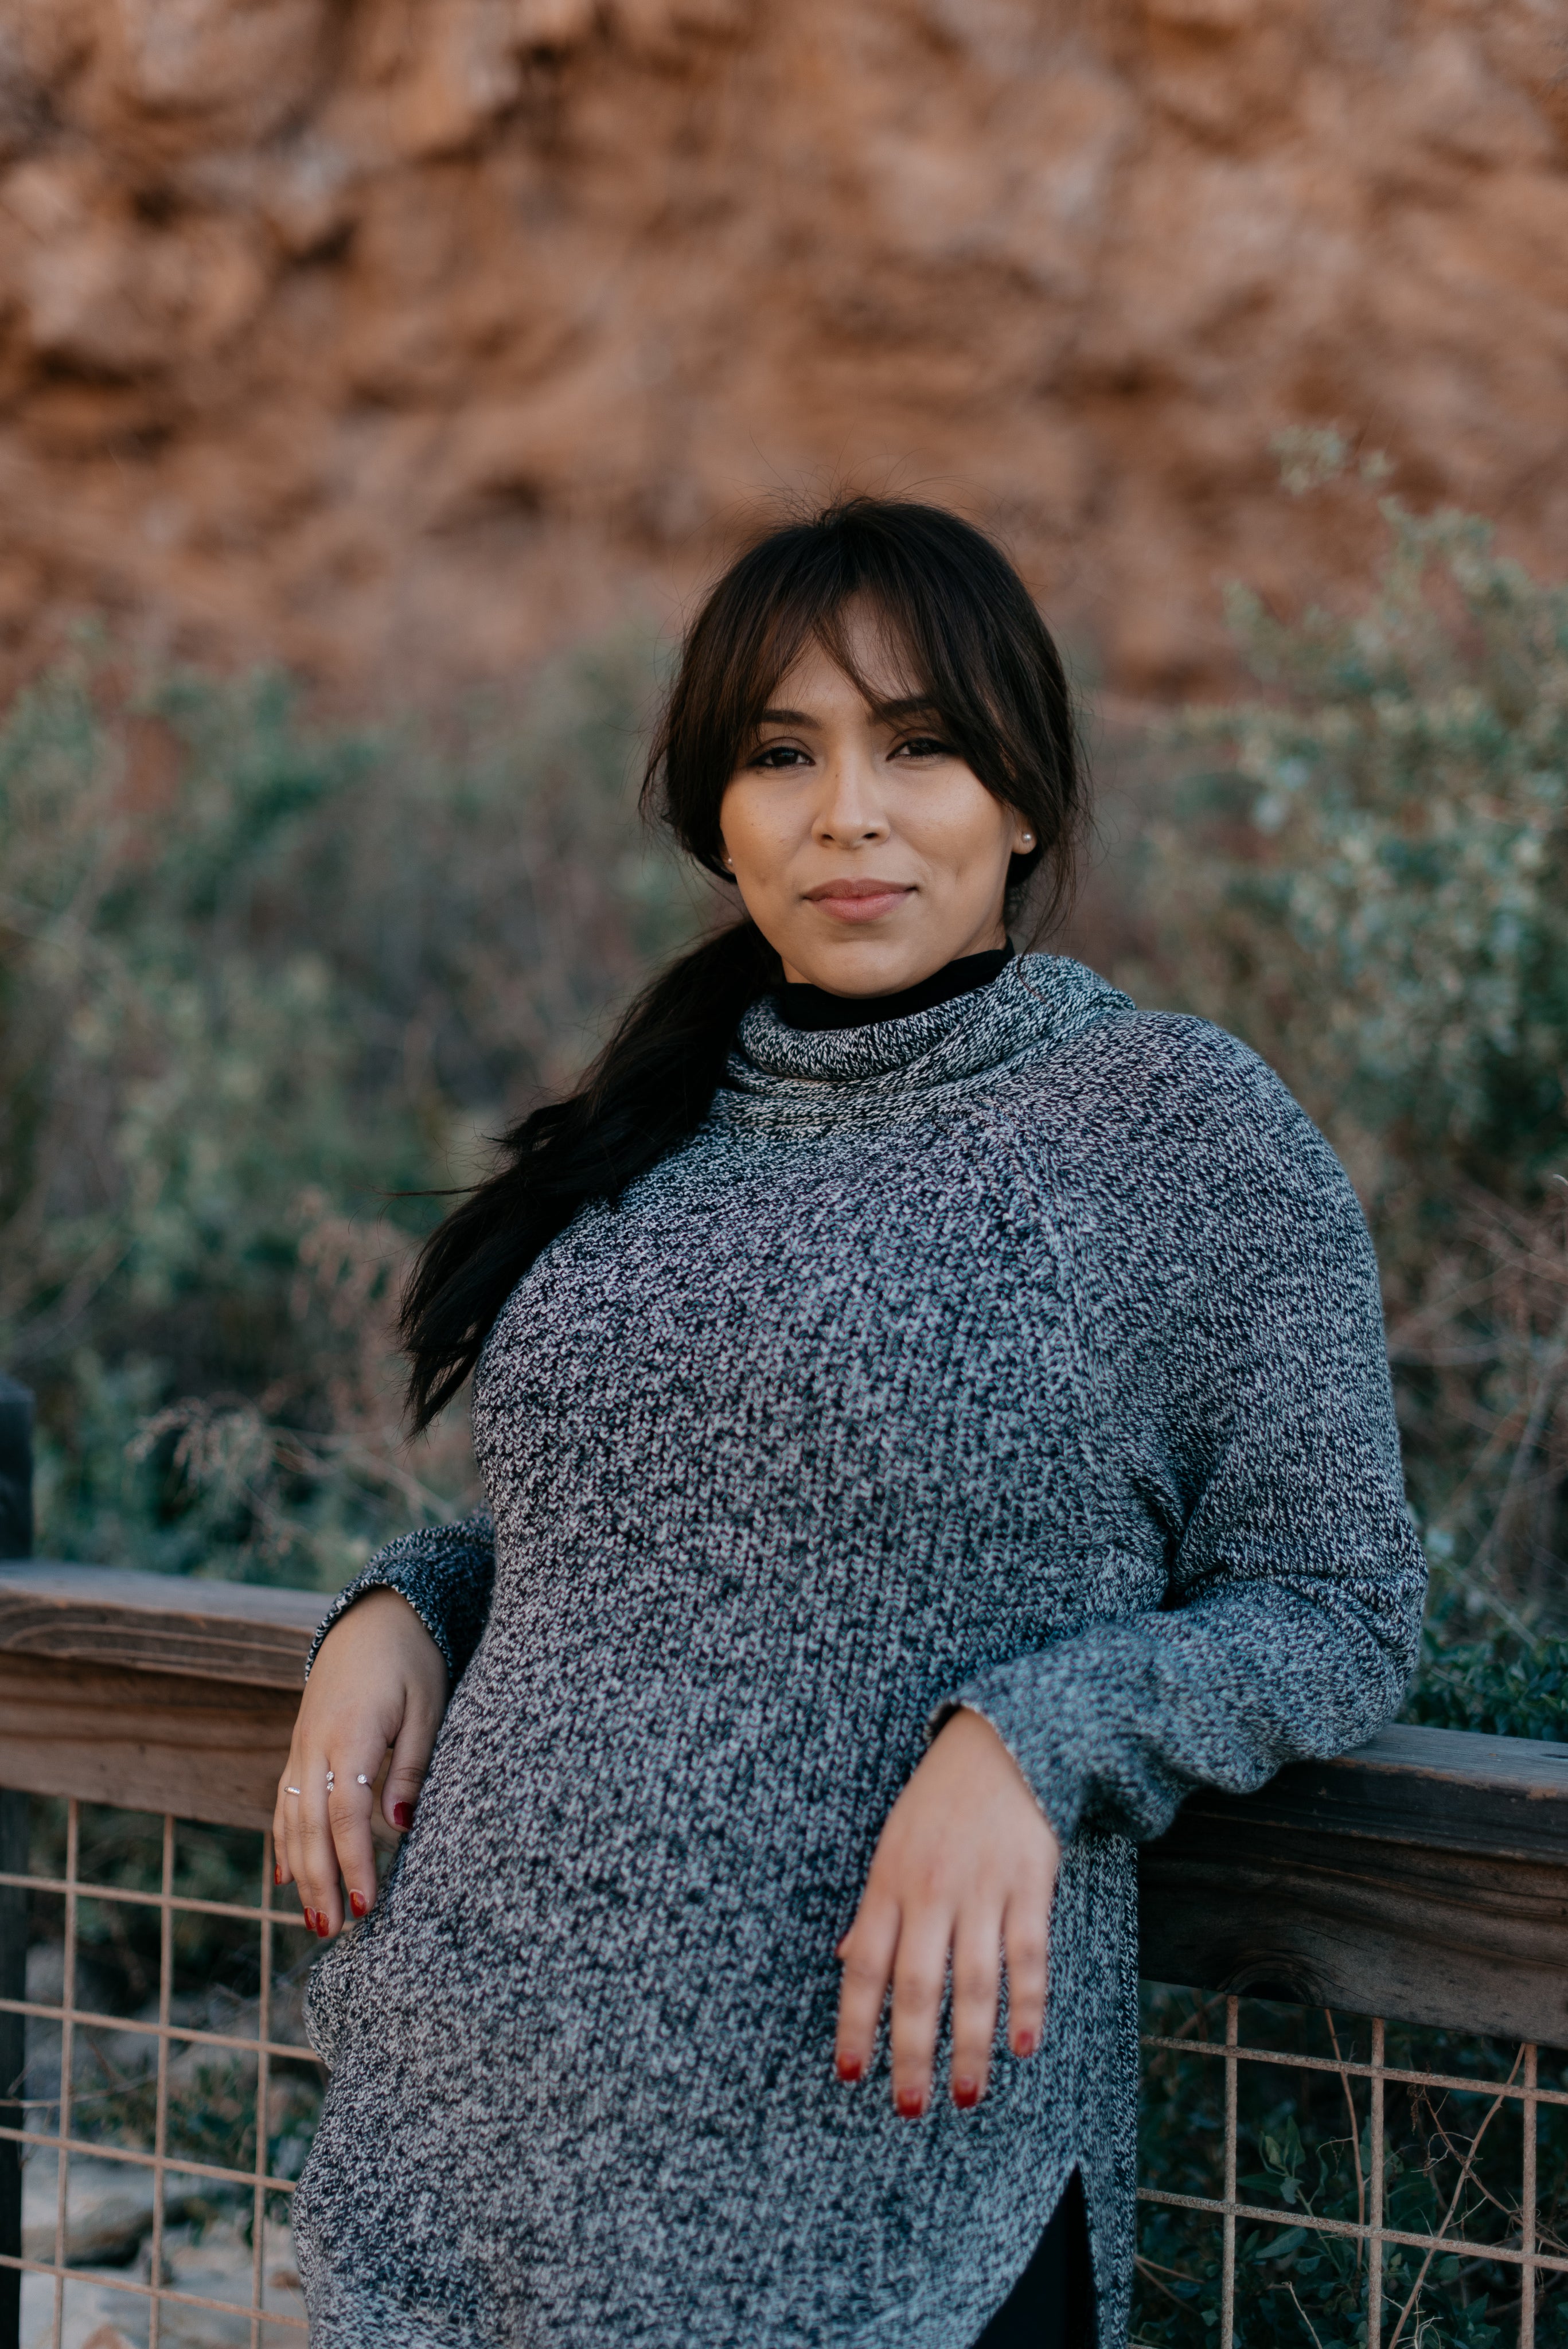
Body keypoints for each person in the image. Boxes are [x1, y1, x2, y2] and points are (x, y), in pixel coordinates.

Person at [277, 497, 1426, 2349]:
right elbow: (664, 1535)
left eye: (922, 748)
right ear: (713, 816)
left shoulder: (1170, 1131)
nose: (849, 815)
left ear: (1026, 797)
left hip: (892, 2191)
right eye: (781, 755)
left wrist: (1034, 1738)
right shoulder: (647, 1135)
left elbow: (1340, 1603)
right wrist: (413, 1602)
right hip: (484, 2127)